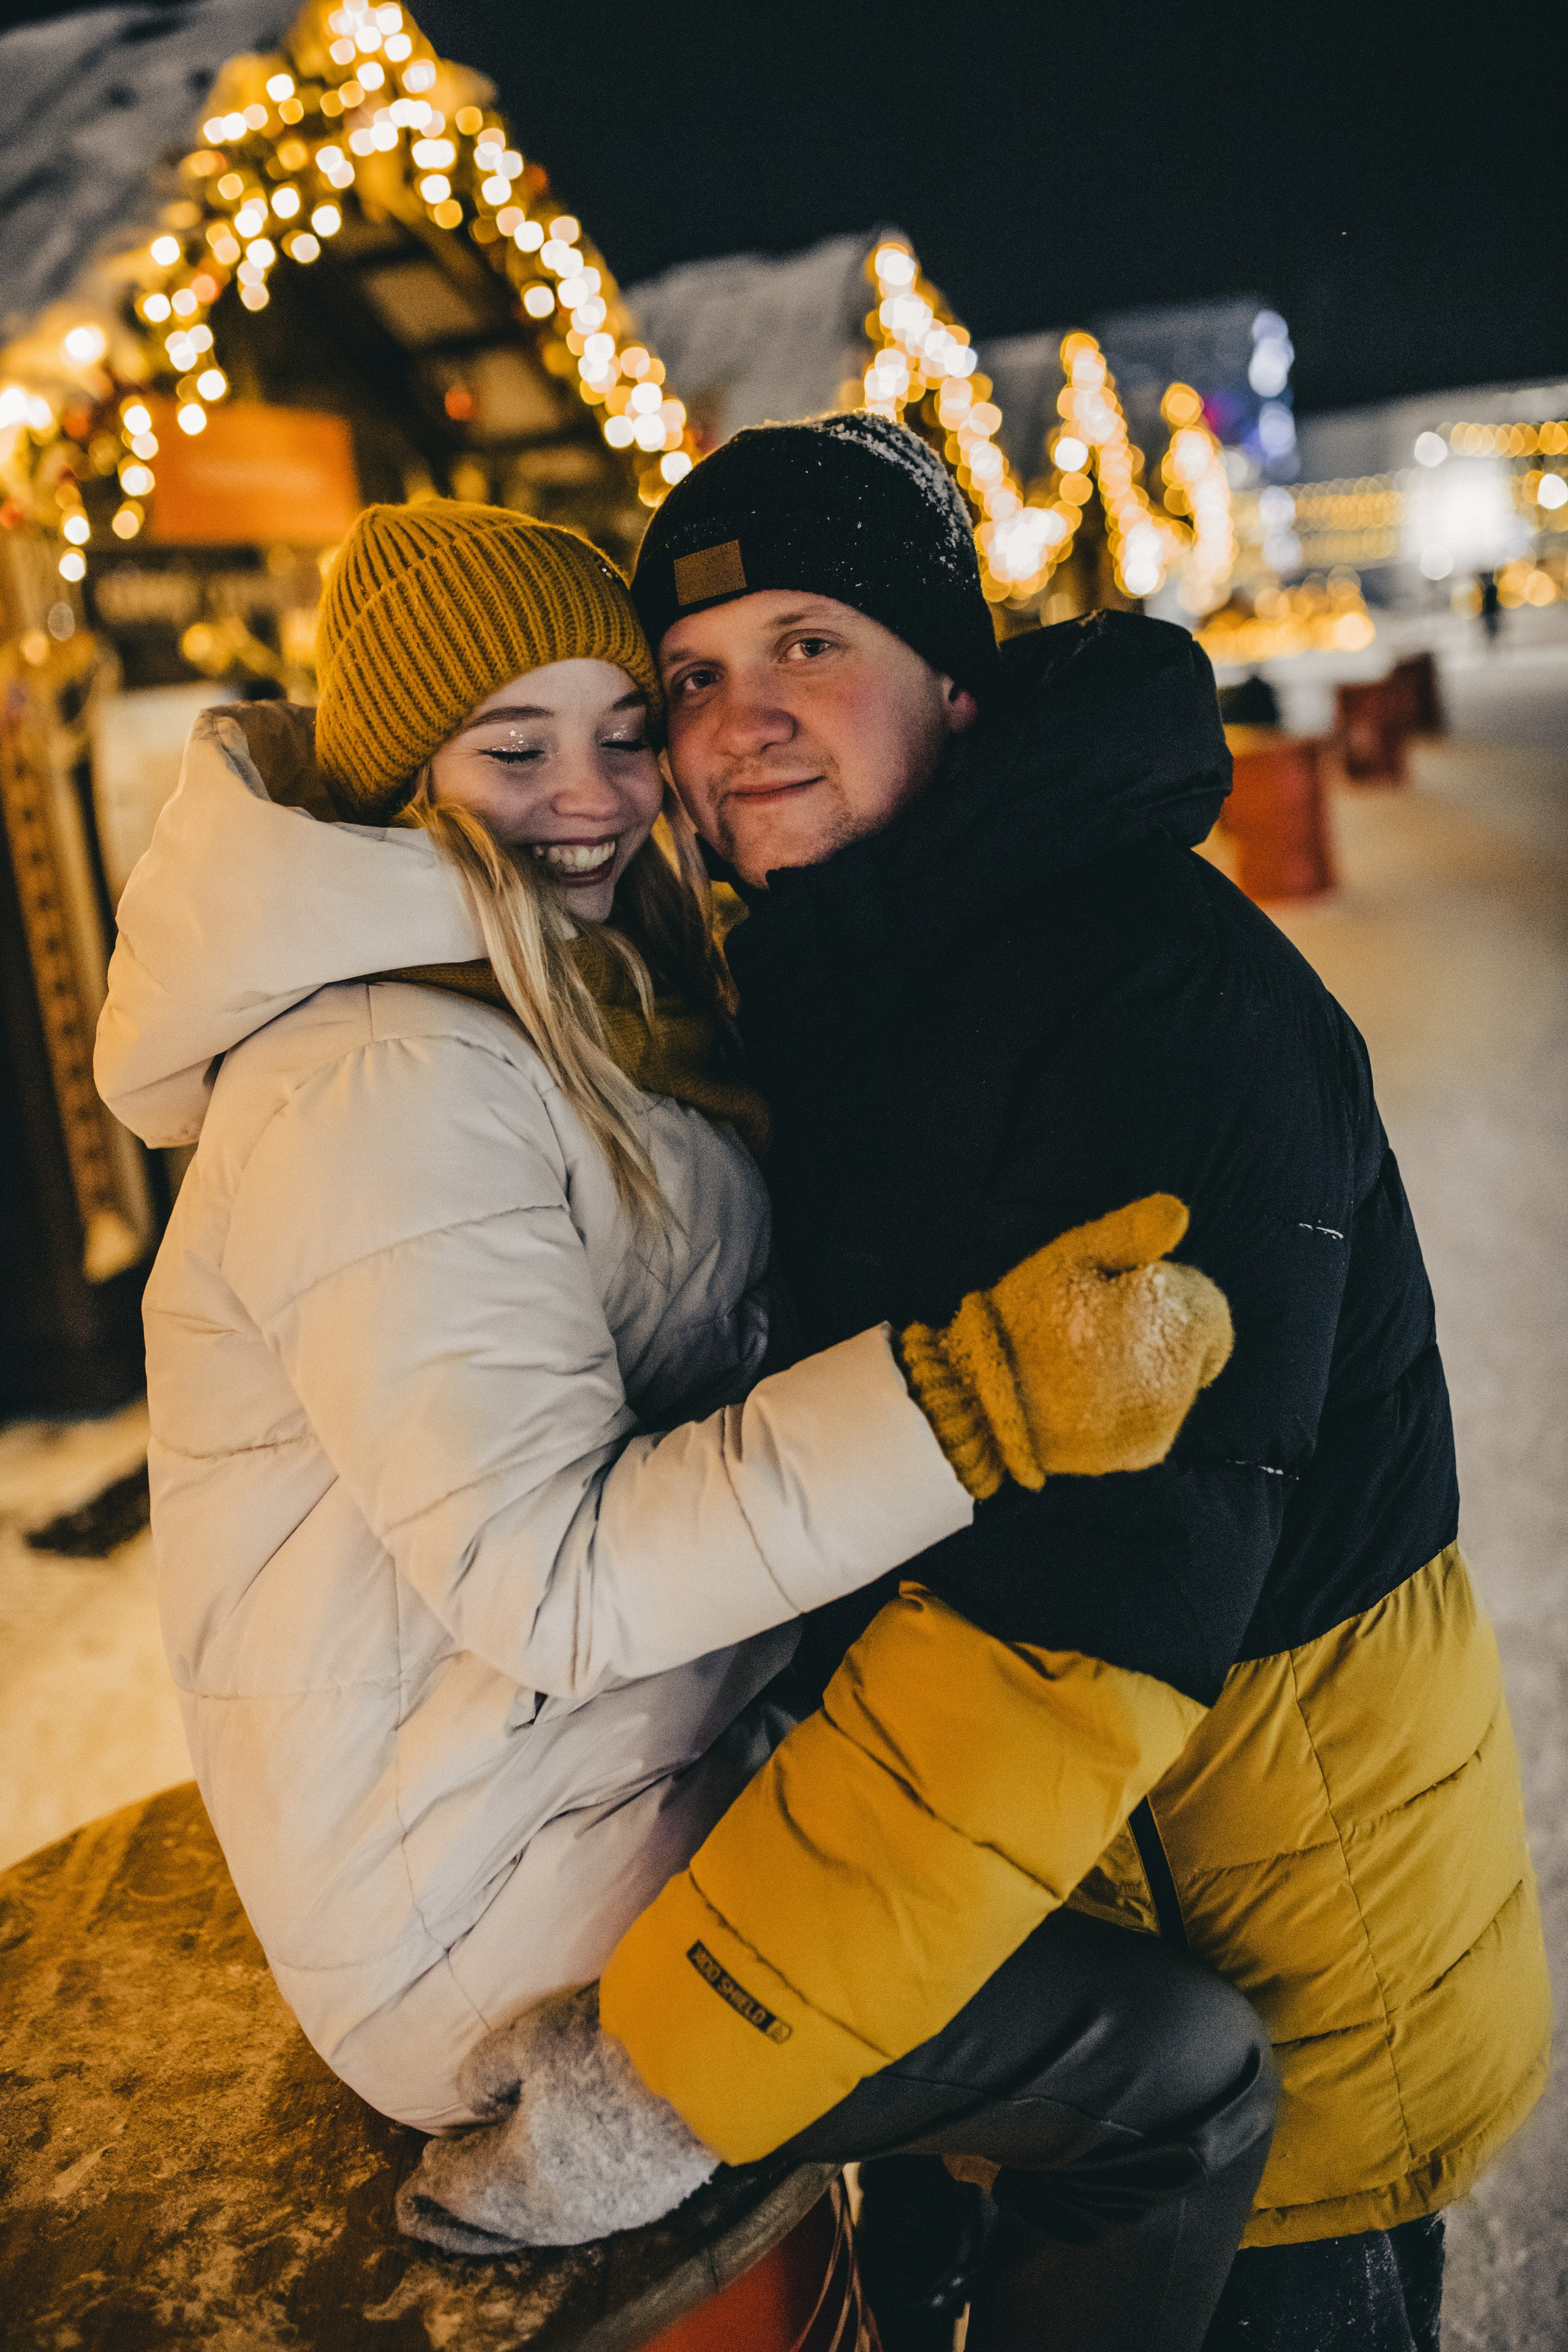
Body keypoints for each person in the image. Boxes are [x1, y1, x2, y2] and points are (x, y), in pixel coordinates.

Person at [429, 421, 1550, 2352]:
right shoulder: (844, 988)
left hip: (1269, 2002)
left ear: (955, 681)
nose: (742, 718)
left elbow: (1072, 1627)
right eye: (694, 679)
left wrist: (680, 2058)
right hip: (1023, 1974)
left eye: (811, 644)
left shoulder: (1156, 1009)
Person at [94, 502, 1233, 2174]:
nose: (595, 796)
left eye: (628, 731)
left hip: (585, 1777)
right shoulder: (381, 1084)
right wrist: (966, 1408)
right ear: (407, 776)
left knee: (1057, 1841)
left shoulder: (555, 990)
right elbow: (548, 1582)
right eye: (514, 746)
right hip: (483, 1918)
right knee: (1183, 2073)